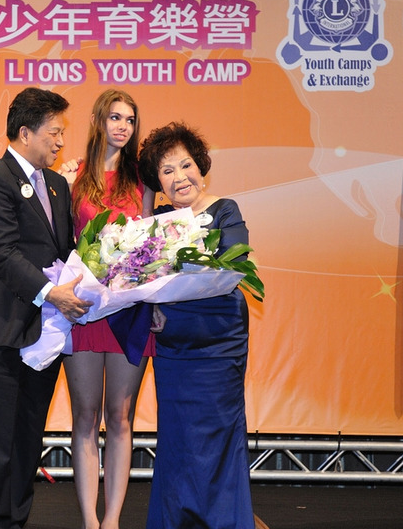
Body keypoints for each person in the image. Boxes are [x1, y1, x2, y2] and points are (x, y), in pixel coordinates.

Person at [0, 87, 94, 529]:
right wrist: (51, 292)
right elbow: (1, 253)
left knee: (25, 443)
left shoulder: (56, 186)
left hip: (43, 337)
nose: (61, 142)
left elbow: (64, 252)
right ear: (25, 132)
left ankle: (15, 522)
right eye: (54, 132)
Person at [137, 121, 256, 529]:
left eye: (185, 165)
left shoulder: (225, 209)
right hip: (174, 343)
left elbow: (235, 262)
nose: (179, 177)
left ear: (200, 166)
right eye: (167, 171)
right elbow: (139, 275)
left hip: (219, 338)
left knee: (220, 434)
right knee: (178, 438)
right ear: (159, 182)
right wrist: (150, 302)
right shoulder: (156, 221)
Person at [60, 89, 154, 529]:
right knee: (85, 416)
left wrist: (152, 299)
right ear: (98, 121)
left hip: (127, 310)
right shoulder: (71, 176)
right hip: (82, 309)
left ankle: (112, 520)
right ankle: (89, 521)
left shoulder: (142, 180)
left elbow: (153, 249)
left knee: (119, 417)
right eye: (115, 117)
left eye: (130, 120)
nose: (123, 126)